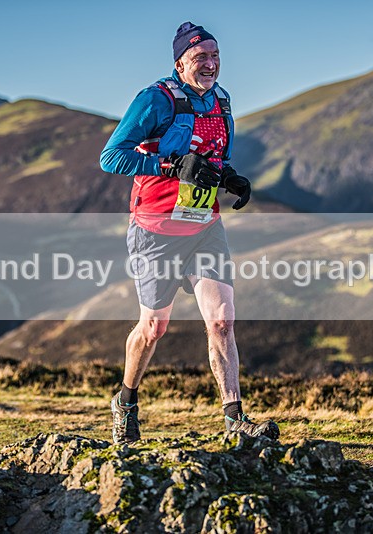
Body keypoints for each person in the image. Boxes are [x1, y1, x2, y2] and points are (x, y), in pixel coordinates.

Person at [100, 21, 277, 444]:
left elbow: (212, 158)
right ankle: (125, 401)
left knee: (222, 320)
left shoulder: (221, 101)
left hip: (204, 227)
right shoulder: (155, 100)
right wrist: (170, 166)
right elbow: (112, 157)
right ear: (180, 63)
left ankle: (235, 419)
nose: (211, 65)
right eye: (201, 58)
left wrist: (230, 177)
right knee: (154, 328)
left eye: (216, 57)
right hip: (155, 229)